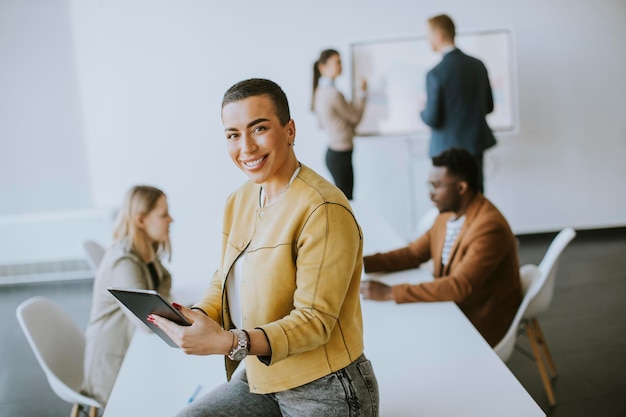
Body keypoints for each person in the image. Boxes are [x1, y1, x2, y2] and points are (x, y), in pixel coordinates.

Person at [150, 78, 379, 417]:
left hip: (327, 388)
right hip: (262, 377)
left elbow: (315, 321)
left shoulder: (323, 208)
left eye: (258, 129)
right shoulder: (239, 200)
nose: (246, 148)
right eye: (233, 135)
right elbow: (224, 278)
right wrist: (199, 315)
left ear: (290, 130)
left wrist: (229, 342)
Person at [360, 148, 521, 347]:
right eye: (429, 184)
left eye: (436, 185)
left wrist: (389, 293)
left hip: (479, 318)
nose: (430, 193)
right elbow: (413, 254)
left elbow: (459, 287)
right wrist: (359, 263)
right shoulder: (447, 214)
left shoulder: (488, 227)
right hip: (451, 305)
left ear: (461, 188)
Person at [81, 185, 173, 408]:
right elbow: (146, 322)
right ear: (141, 221)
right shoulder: (124, 262)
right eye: (163, 215)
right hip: (113, 369)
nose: (170, 220)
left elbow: (161, 290)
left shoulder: (143, 250)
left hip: (130, 350)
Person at [420, 14, 496, 194]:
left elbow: (433, 118)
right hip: (474, 144)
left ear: (439, 36)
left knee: (449, 200)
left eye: (428, 35)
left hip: (445, 151)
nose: (427, 40)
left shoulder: (435, 73)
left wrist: (421, 111)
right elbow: (489, 107)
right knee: (476, 195)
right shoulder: (478, 66)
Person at [312, 48, 367, 200]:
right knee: (347, 201)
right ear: (323, 67)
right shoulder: (332, 93)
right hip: (340, 154)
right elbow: (354, 117)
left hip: (336, 153)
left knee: (346, 199)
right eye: (337, 62)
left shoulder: (321, 91)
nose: (340, 66)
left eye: (340, 62)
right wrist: (362, 93)